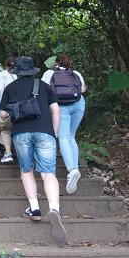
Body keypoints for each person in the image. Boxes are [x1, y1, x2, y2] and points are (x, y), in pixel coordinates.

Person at [0, 55, 66, 244]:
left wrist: (7, 116)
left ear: (16, 72)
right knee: (48, 173)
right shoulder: (44, 87)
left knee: (26, 170)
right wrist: (53, 132)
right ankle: (54, 209)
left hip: (21, 133)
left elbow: (3, 114)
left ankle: (35, 208)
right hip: (45, 132)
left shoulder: (10, 88)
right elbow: (56, 110)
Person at [41, 54, 86, 194]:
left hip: (61, 106)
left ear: (55, 63)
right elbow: (83, 89)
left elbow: (42, 90)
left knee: (64, 136)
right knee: (71, 136)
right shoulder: (75, 73)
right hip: (78, 104)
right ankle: (75, 168)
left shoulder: (49, 73)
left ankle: (72, 169)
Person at [0, 56, 17, 163]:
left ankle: (8, 153)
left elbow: (0, 90)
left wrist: (2, 106)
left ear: (6, 66)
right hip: (22, 108)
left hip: (8, 107)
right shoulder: (21, 74)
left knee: (5, 129)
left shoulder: (4, 74)